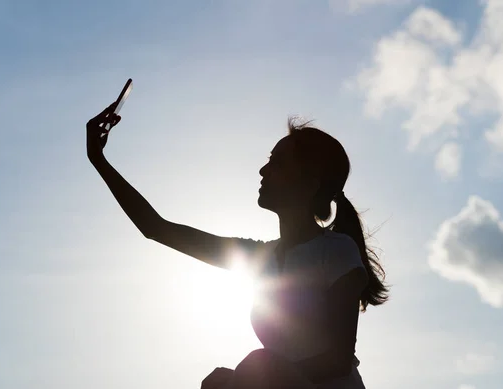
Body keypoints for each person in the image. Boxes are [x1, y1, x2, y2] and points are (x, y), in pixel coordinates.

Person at [86, 103, 389, 389]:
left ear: (310, 182)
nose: (263, 170)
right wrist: (99, 160)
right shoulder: (259, 257)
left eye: (277, 163)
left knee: (259, 363)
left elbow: (337, 361)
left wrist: (245, 379)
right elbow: (156, 228)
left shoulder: (336, 250)